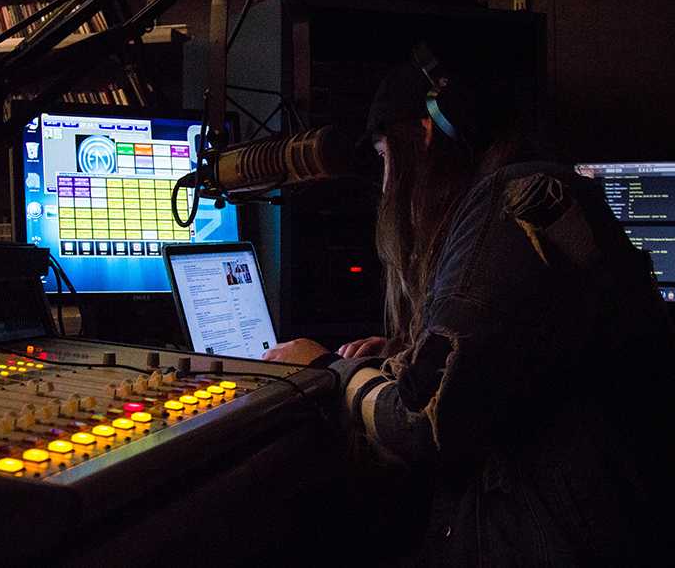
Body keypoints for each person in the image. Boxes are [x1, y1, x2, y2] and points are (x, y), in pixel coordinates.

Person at [263, 43, 675, 565]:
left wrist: (329, 368)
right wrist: (401, 353)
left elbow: (422, 421)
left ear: (427, 133)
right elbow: (514, 356)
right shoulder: (541, 190)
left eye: (386, 158)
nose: (386, 183)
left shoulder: (504, 205)